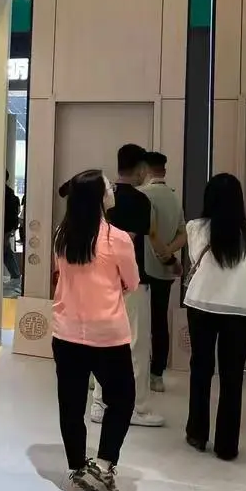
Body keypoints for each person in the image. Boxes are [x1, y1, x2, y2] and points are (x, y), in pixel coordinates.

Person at [52, 170, 139, 491]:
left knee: (71, 404)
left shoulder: (63, 236)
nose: (112, 189)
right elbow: (132, 282)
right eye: (108, 186)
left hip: (67, 332)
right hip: (108, 335)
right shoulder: (117, 239)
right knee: (122, 399)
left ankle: (77, 472)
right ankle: (102, 466)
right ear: (99, 197)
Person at [184, 173, 246, 461]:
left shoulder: (195, 227)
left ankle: (197, 433)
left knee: (201, 369)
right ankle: (227, 445)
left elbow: (195, 260)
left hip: (201, 304)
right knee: (232, 377)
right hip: (239, 309)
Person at [91, 144, 165, 428]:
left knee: (103, 342)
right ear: (141, 169)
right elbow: (134, 241)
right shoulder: (140, 200)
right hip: (132, 282)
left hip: (101, 283)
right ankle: (137, 407)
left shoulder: (103, 198)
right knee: (135, 345)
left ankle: (99, 403)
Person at [140, 151, 187, 393]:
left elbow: (151, 233)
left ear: (146, 170)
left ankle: (137, 372)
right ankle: (157, 375)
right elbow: (183, 234)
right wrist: (169, 254)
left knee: (138, 322)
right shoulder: (174, 198)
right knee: (160, 323)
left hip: (143, 269)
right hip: (165, 272)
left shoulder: (142, 196)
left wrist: (163, 254)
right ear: (164, 170)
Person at [3, 171, 21, 280]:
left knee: (5, 251)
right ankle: (16, 275)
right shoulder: (11, 194)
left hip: (5, 228)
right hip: (7, 229)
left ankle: (16, 275)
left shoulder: (6, 194)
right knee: (6, 251)